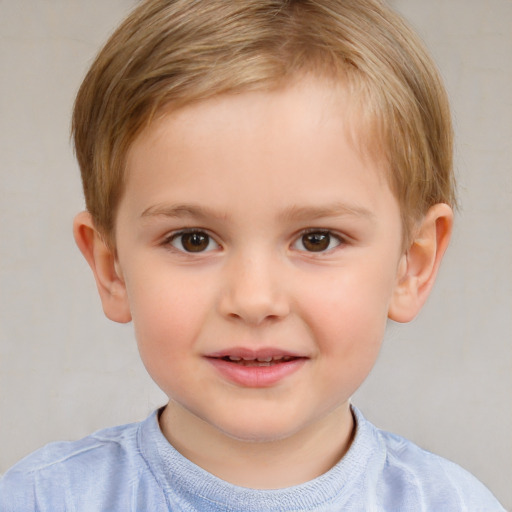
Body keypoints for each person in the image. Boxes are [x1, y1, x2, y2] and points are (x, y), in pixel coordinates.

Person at [0, 0, 505, 510]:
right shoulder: (40, 499)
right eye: (193, 239)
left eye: (317, 239)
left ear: (410, 266)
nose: (254, 299)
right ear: (112, 270)